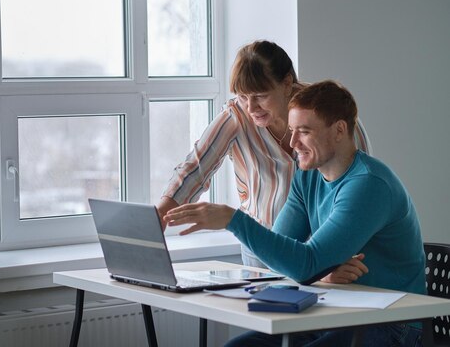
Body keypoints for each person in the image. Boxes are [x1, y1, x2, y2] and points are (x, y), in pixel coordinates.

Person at [164, 80, 426, 347]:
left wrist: (233, 220)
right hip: (336, 312)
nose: (292, 143)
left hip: (392, 322)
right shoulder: (307, 175)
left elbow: (305, 262)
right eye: (291, 131)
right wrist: (322, 273)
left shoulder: (369, 185)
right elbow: (279, 254)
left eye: (304, 131)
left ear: (338, 130)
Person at [157, 40, 371, 279]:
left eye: (260, 95)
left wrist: (330, 263)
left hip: (318, 250)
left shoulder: (327, 113)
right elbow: (195, 168)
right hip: (260, 244)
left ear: (287, 83)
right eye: (242, 96)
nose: (251, 107)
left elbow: (356, 191)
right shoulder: (236, 116)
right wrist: (160, 216)